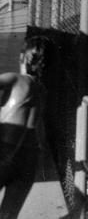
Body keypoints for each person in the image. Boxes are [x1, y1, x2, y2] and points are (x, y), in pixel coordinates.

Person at [0, 36, 50, 218]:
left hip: (5, 151)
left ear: (22, 57)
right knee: (8, 214)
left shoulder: (14, 79)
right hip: (30, 157)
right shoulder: (42, 90)